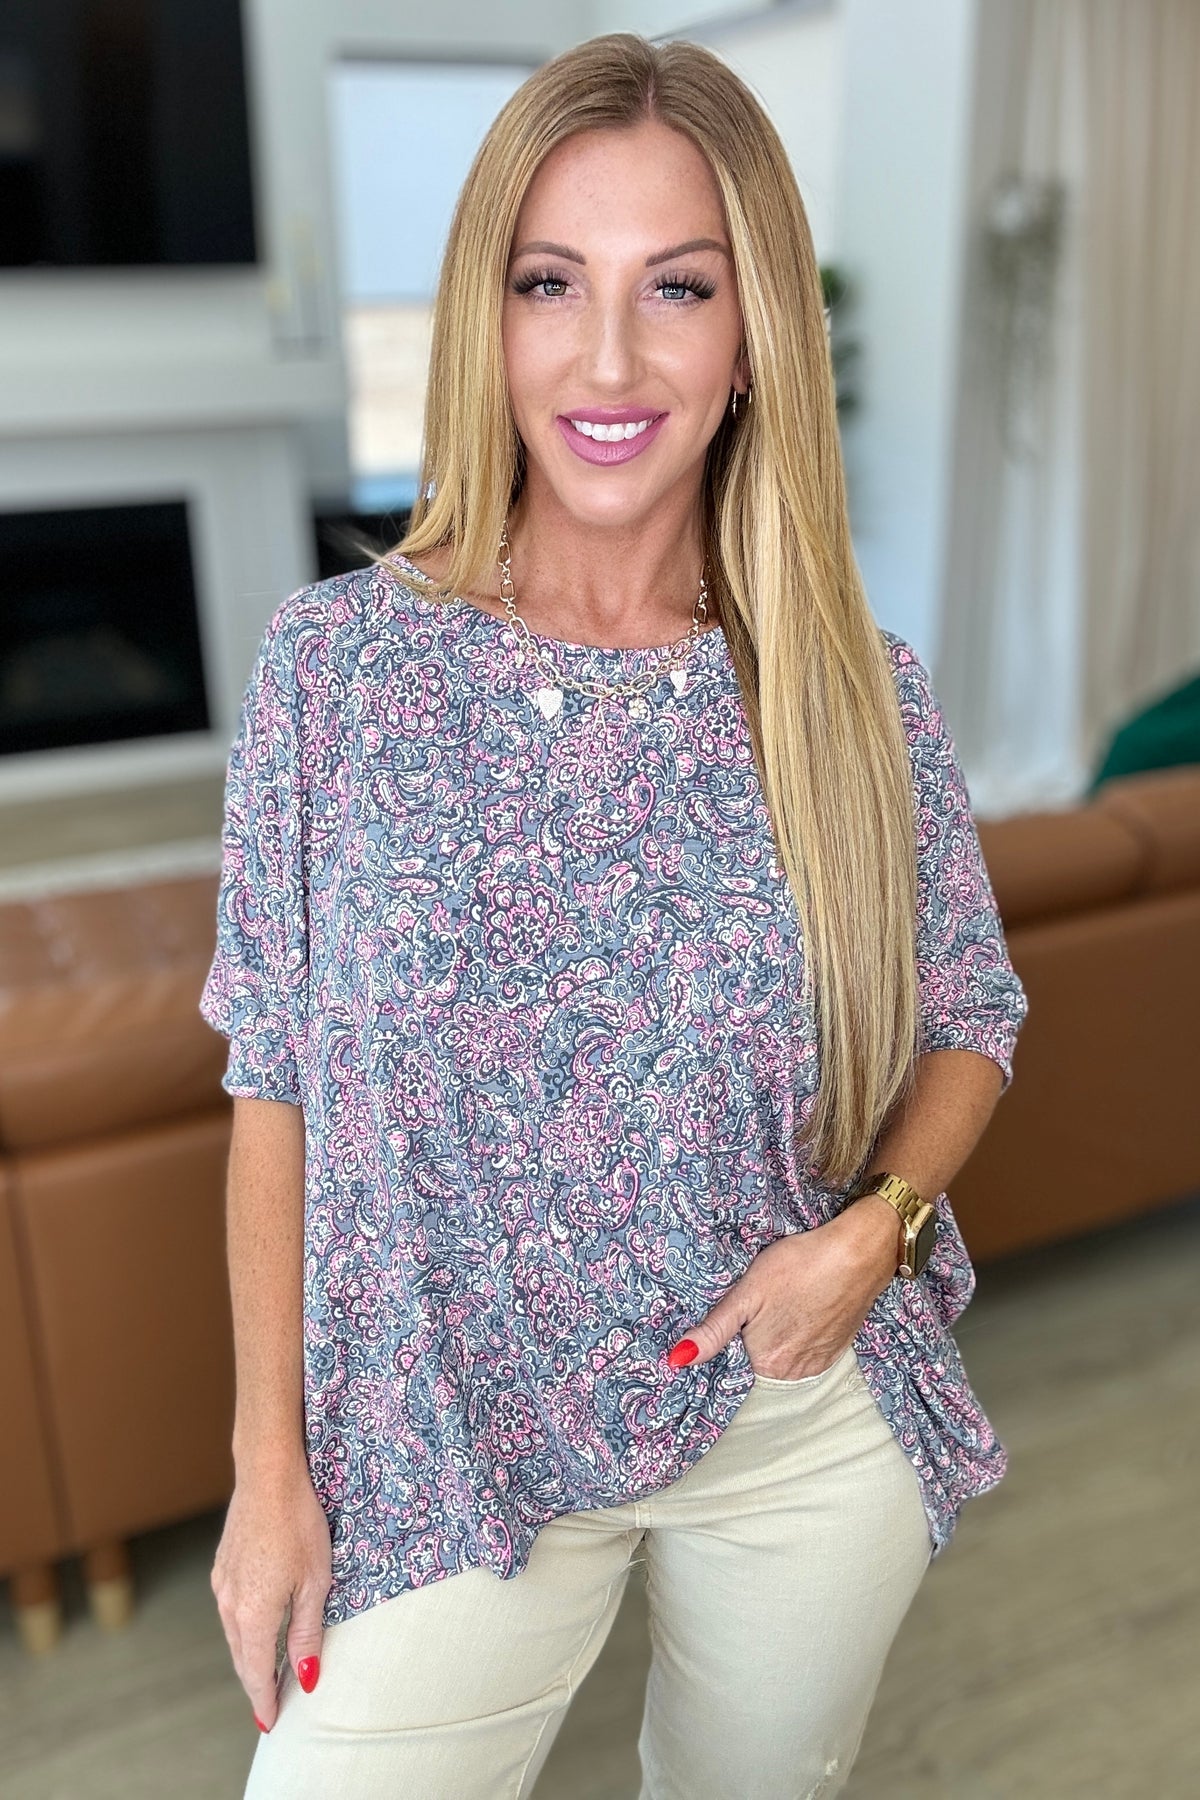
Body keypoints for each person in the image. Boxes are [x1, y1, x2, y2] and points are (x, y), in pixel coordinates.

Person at [200, 31, 1028, 1800]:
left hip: (793, 1419)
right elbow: (272, 1081)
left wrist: (874, 1234)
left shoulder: (852, 694)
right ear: (485, 319)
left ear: (752, 340)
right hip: (439, 1442)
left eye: (678, 289)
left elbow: (972, 1016)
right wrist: (270, 1468)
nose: (606, 359)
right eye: (549, 283)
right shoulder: (339, 671)